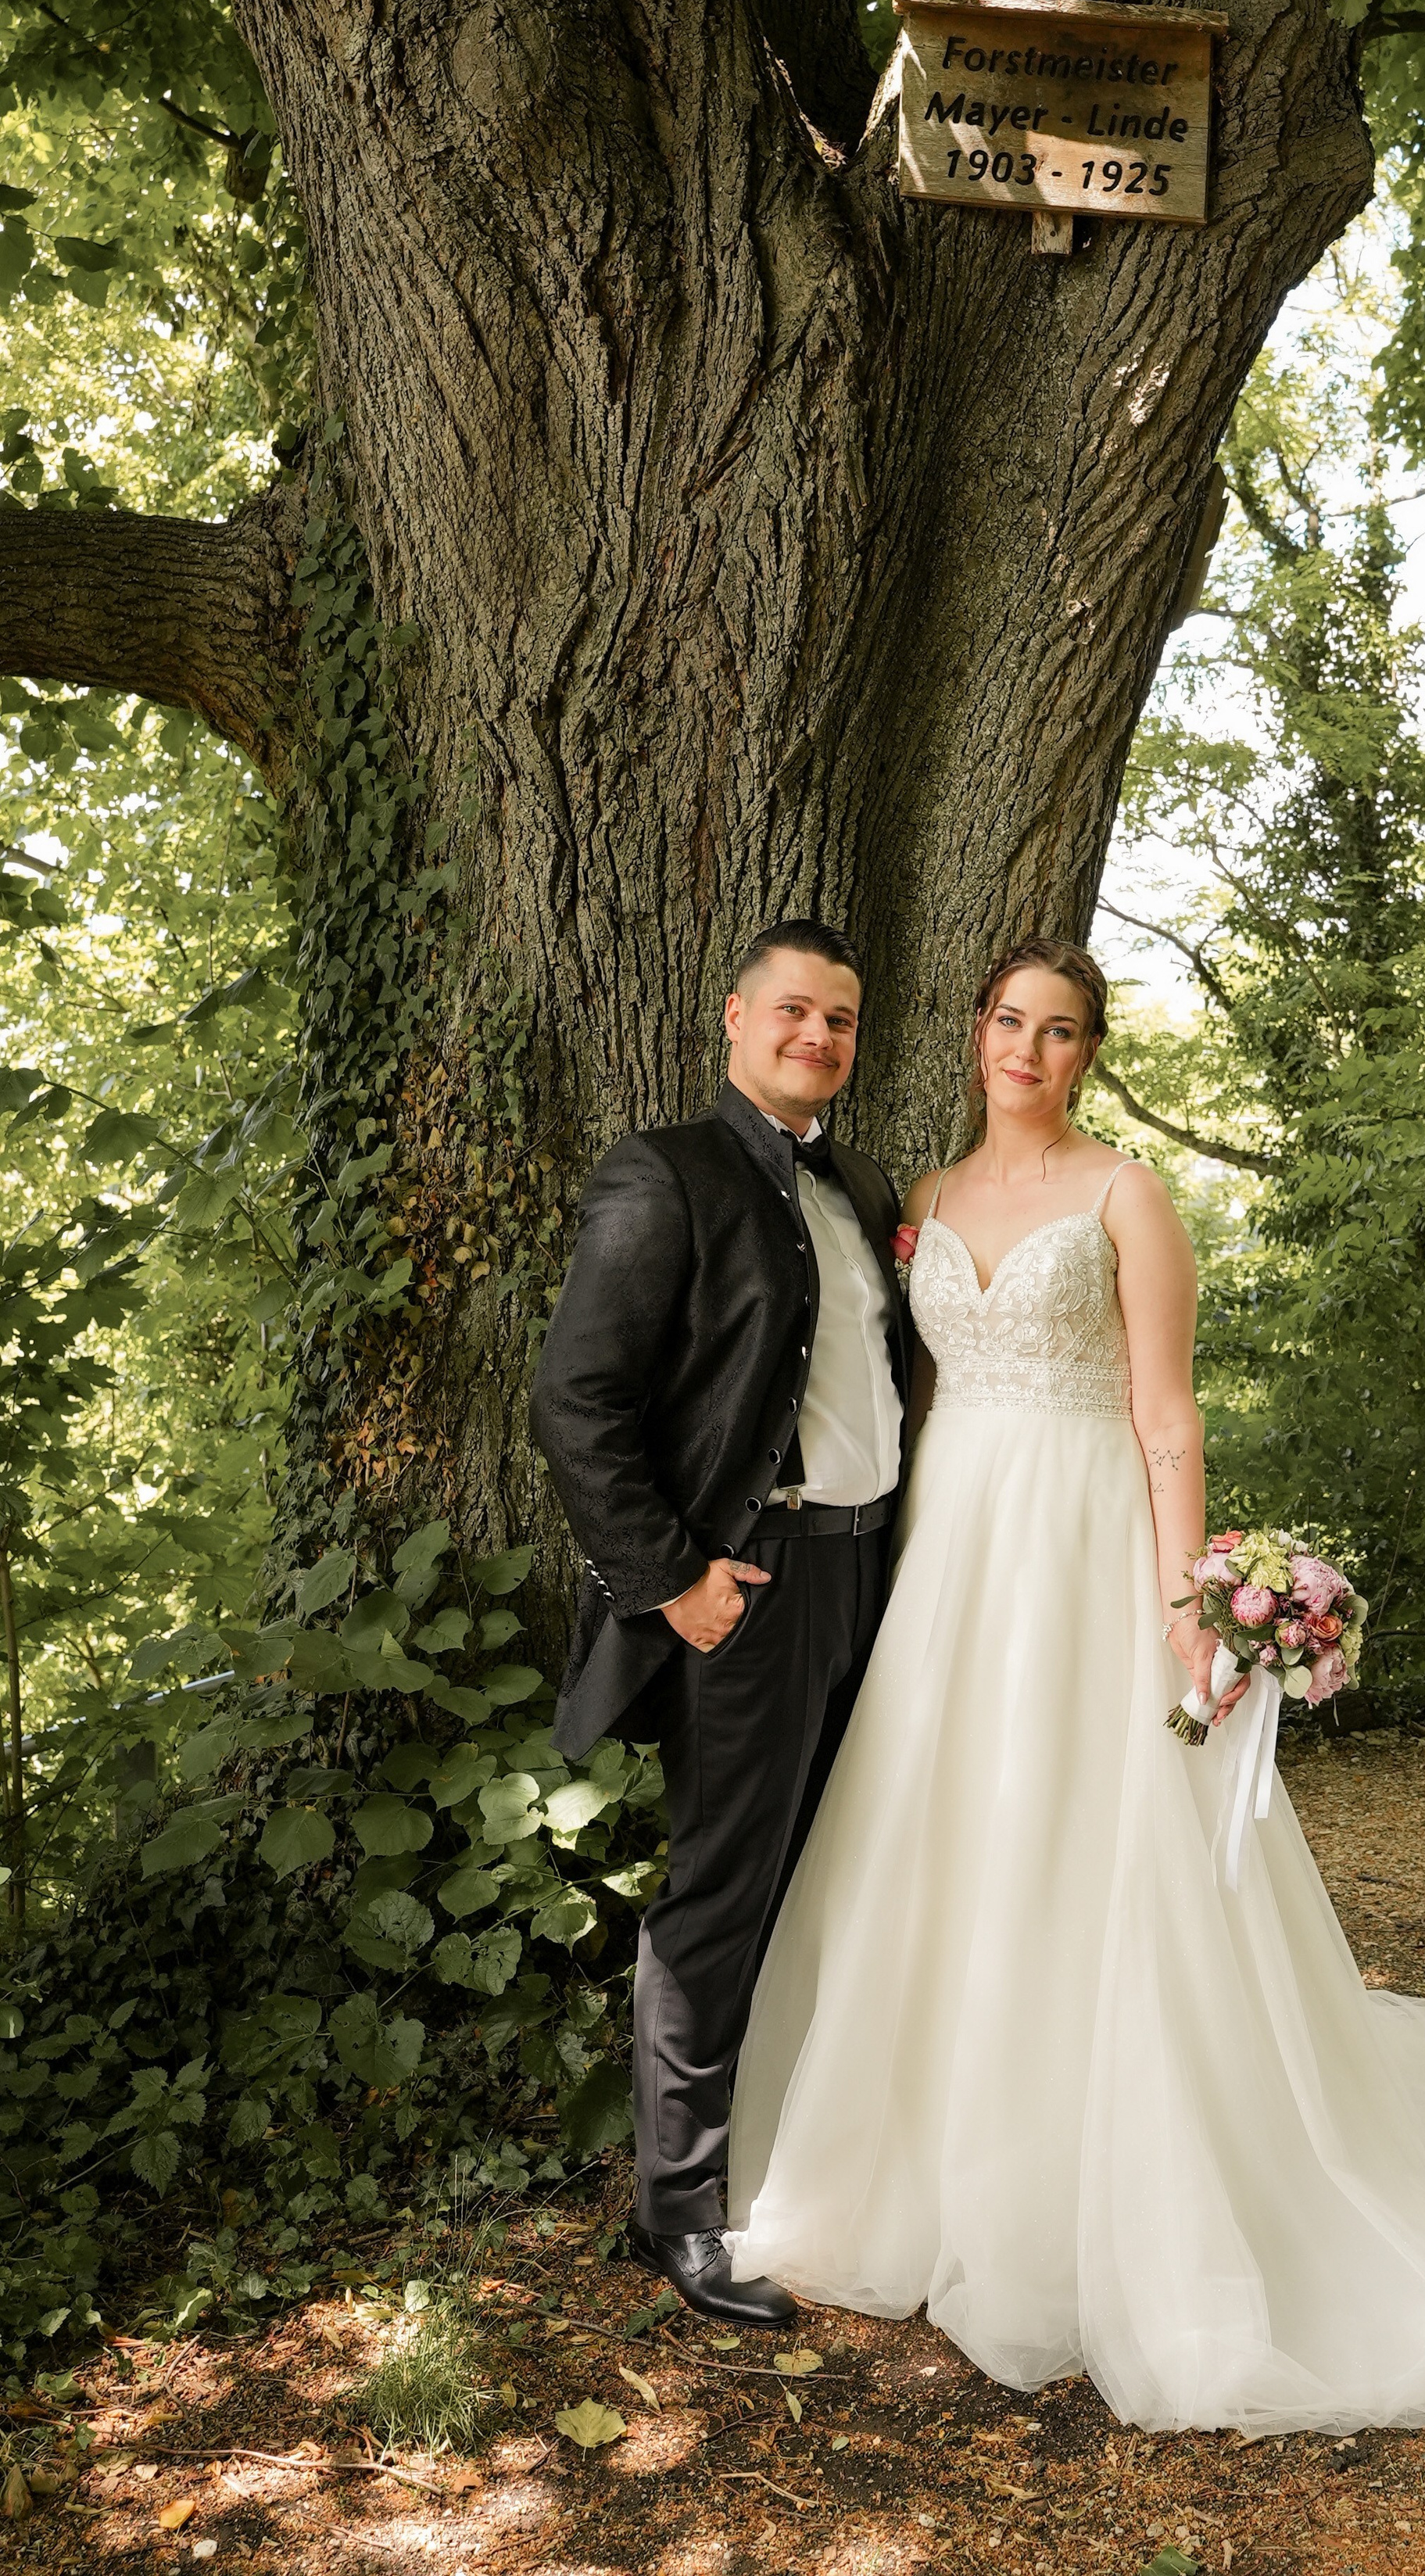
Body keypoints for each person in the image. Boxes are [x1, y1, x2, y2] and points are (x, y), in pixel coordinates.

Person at [727, 935, 1425, 2435]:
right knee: (945, 1819)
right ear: (975, 1036)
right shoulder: (923, 1205)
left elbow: (1166, 1413)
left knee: (1093, 1840)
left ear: (1089, 1054)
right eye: (1010, 1023)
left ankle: (1112, 2175)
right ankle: (917, 2151)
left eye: (1062, 1031)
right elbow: (910, 1394)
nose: (1029, 1051)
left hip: (1085, 1541)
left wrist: (1187, 1600)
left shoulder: (1124, 1197)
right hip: (955, 1545)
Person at [529, 919, 911, 2329]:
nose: (819, 1038)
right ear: (737, 1018)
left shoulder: (863, 1183)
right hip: (750, 1591)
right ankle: (677, 2214)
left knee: (844, 1874)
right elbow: (576, 1403)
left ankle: (804, 2166)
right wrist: (672, 1577)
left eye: (843, 1020)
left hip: (882, 1578)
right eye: (795, 1012)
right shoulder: (665, 1173)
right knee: (723, 1893)